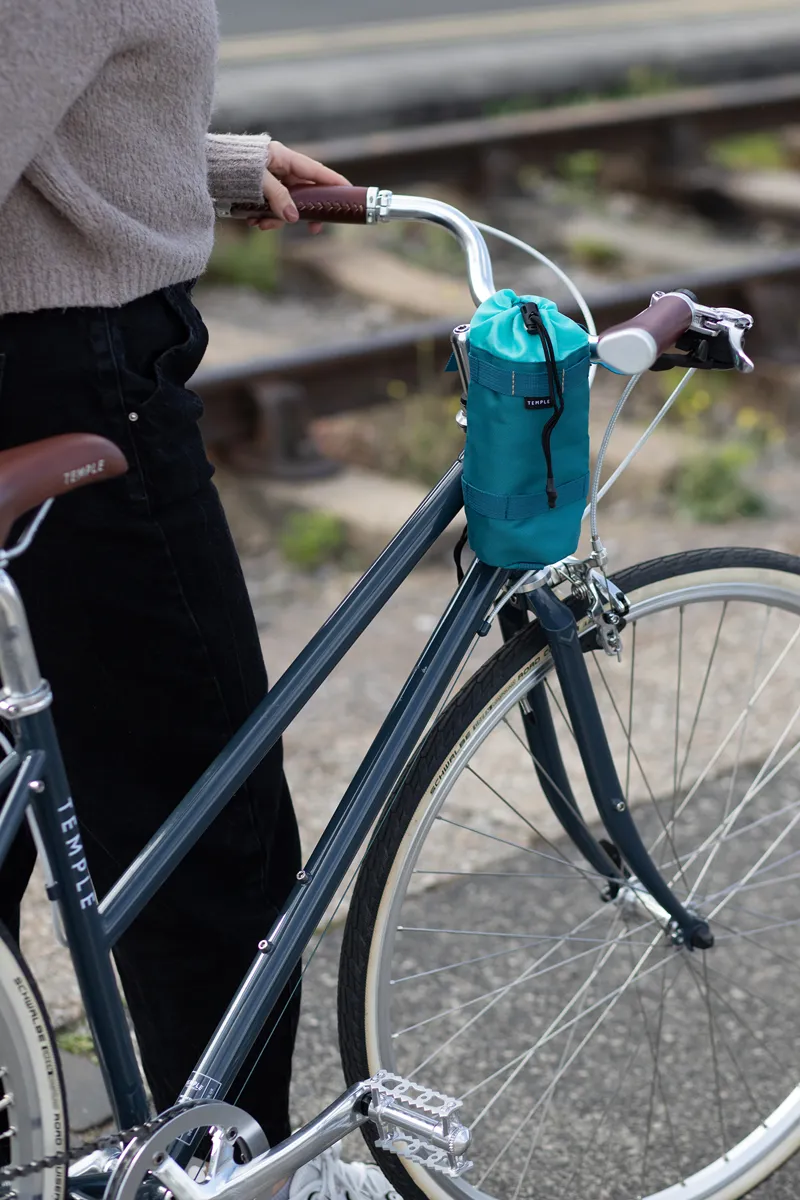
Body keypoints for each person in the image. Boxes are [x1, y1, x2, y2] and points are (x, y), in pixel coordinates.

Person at [0, 2, 398, 1197]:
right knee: (200, 819)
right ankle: (240, 1168)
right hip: (68, 379)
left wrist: (205, 161)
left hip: (49, 357)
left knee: (28, 791)